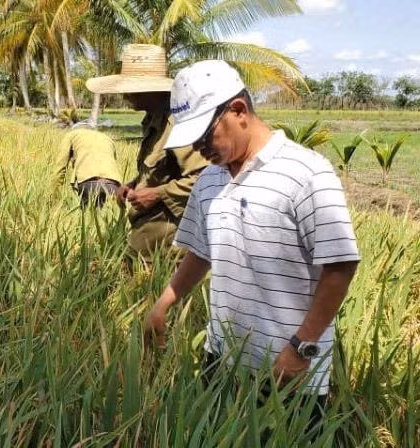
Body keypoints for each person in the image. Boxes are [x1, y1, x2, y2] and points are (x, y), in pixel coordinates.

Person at [144, 60, 360, 427]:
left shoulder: (307, 172)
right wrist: (165, 302)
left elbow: (340, 266)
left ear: (239, 110)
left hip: (291, 368)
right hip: (223, 356)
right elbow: (201, 251)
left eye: (204, 138)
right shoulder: (209, 181)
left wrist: (301, 348)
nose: (200, 150)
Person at [86, 45, 207, 263]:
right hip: (148, 237)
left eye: (130, 89)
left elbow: (203, 179)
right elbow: (160, 171)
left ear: (149, 90)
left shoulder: (178, 124)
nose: (124, 95)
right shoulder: (153, 119)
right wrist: (134, 185)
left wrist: (157, 194)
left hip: (170, 247)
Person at [54, 125, 122, 208]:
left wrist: (53, 198)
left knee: (86, 218)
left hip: (89, 183)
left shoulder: (71, 135)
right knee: (106, 218)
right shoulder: (107, 138)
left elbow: (60, 166)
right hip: (114, 185)